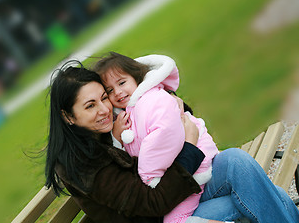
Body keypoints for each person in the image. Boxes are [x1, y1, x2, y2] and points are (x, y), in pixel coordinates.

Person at [45, 61, 299, 223]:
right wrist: (188, 147)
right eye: (90, 105)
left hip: (178, 194)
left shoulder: (101, 127)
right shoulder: (82, 165)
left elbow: (147, 115)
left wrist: (173, 103)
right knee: (260, 196)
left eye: (103, 97)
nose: (104, 109)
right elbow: (151, 203)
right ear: (68, 116)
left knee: (236, 161)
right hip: (163, 215)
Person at [92, 52, 219, 223]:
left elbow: (161, 136)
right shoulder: (124, 116)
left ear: (136, 79)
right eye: (110, 91)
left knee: (175, 221)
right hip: (180, 178)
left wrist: (150, 178)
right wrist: (117, 136)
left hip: (192, 170)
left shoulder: (149, 102)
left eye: (122, 83)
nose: (118, 92)